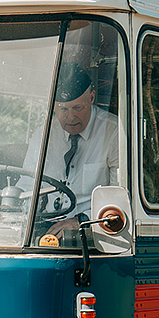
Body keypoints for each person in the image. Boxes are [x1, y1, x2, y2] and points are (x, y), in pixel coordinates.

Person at [34, 63, 118, 222]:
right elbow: (28, 184)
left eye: (77, 108)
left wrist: (82, 221)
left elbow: (118, 199)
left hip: (92, 229)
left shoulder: (113, 132)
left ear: (91, 98)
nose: (70, 117)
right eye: (63, 109)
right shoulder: (44, 135)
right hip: (47, 225)